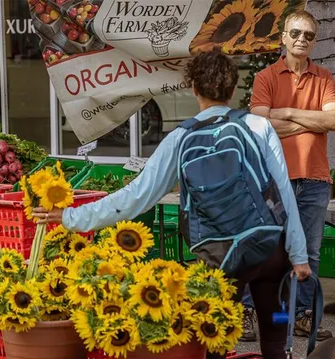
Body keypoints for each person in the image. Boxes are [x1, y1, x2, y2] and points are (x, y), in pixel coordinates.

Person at [33, 49, 311, 359]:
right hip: (270, 248)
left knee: (216, 339)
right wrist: (298, 255)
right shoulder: (258, 127)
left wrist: (70, 217)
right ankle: (281, 343)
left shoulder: (180, 138)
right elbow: (284, 192)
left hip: (219, 257)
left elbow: (135, 197)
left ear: (193, 88)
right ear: (233, 89)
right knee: (276, 326)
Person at [250, 10, 335, 341]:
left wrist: (283, 114)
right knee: (264, 247)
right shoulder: (265, 77)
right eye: (296, 33)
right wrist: (309, 120)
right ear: (283, 37)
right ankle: (254, 313)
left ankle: (302, 315)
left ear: (314, 43)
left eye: (309, 35)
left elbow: (331, 122)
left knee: (309, 253)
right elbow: (259, 124)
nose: (302, 39)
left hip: (314, 180)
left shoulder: (325, 78)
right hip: (272, 177)